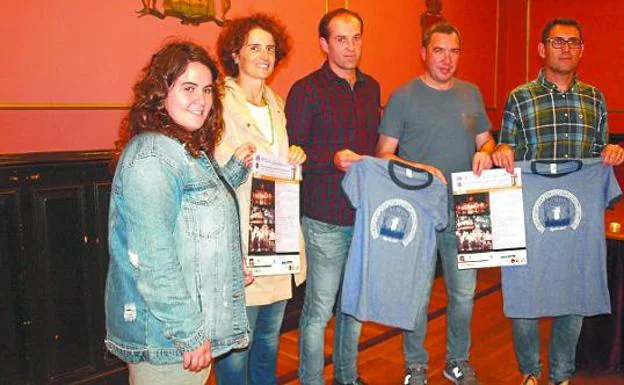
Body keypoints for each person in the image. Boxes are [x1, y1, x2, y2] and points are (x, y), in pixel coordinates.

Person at [104, 41, 256, 385]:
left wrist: (233, 172)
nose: (201, 99)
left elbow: (194, 215)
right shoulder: (153, 156)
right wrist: (189, 333)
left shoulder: (183, 148)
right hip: (168, 337)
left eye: (206, 90)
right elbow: (154, 259)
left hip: (180, 333)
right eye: (188, 88)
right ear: (161, 92)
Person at [492, 18, 624, 385]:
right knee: (523, 295)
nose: (565, 48)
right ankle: (530, 373)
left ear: (582, 49)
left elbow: (599, 153)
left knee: (576, 296)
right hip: (526, 215)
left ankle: (561, 374)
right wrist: (502, 150)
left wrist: (612, 151)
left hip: (577, 223)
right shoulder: (520, 97)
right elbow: (507, 147)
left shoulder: (595, 98)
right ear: (542, 49)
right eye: (557, 41)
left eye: (573, 42)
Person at [375, 22, 495, 385]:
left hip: (465, 212)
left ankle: (457, 361)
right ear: (424, 53)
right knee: (418, 294)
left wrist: (487, 153)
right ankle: (415, 365)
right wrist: (421, 168)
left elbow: (486, 141)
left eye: (454, 51)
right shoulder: (403, 97)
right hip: (419, 213)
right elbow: (383, 156)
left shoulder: (471, 93)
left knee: (464, 295)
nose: (447, 59)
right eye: (439, 50)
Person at [285, 8, 381, 385]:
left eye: (356, 37)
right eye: (341, 39)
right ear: (324, 44)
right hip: (324, 218)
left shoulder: (373, 87)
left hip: (363, 217)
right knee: (319, 310)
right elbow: (293, 158)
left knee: (354, 308)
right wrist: (333, 159)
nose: (351, 46)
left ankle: (347, 377)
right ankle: (312, 380)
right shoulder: (305, 90)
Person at [213, 13, 307, 385]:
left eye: (270, 48)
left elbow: (276, 159)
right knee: (239, 344)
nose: (265, 55)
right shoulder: (218, 100)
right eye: (255, 47)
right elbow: (212, 171)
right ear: (235, 53)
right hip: (239, 235)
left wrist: (293, 155)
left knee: (268, 338)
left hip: (276, 232)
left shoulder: (276, 103)